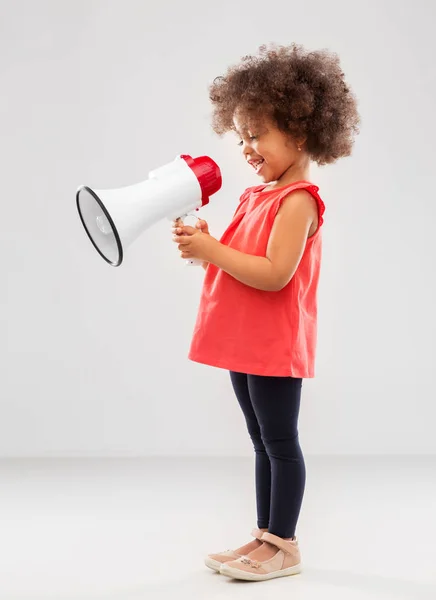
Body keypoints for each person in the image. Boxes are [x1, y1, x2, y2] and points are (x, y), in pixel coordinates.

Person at [171, 42, 360, 582]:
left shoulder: (298, 200)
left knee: (280, 442)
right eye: (242, 137)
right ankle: (263, 536)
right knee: (260, 441)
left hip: (274, 342)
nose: (247, 148)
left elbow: (274, 273)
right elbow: (241, 259)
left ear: (300, 133)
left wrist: (211, 252)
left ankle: (285, 544)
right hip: (244, 340)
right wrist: (207, 241)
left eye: (257, 135)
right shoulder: (259, 195)